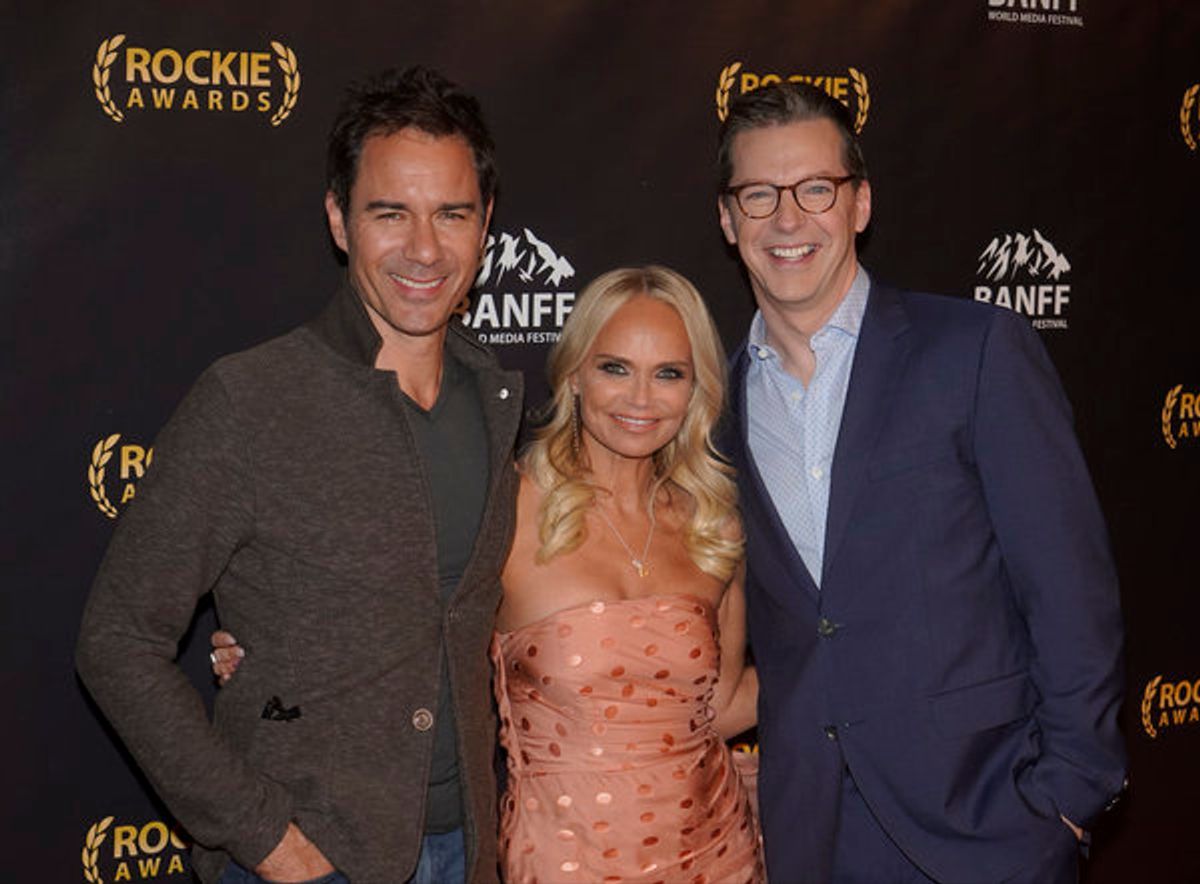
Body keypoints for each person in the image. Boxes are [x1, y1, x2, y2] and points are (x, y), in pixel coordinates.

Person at [76, 67, 523, 884]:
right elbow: (116, 640)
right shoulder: (249, 400)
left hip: (470, 851)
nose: (424, 249)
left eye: (451, 214)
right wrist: (266, 837)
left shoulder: (498, 401)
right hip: (315, 857)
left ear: (485, 223)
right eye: (390, 213)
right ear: (338, 220)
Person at [214, 266, 765, 883]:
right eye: (614, 368)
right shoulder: (505, 504)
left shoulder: (712, 526)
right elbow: (400, 635)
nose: (640, 398)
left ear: (696, 390)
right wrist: (265, 654)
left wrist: (852, 683)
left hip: (718, 852)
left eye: (669, 374)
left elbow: (719, 704)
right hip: (564, 860)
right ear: (576, 375)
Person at [715, 81, 1127, 883]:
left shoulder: (973, 352)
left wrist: (1067, 799)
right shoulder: (715, 410)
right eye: (759, 194)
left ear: (859, 203)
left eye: (816, 189)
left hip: (986, 827)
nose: (788, 219)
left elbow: (1072, 590)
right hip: (812, 836)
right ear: (727, 219)